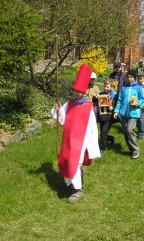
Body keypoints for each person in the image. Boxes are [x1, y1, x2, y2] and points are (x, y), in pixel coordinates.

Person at [51, 63, 101, 203]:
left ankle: (77, 191)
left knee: (74, 162)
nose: (76, 94)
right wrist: (59, 109)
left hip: (81, 141)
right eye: (75, 91)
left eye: (79, 92)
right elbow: (61, 118)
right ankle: (76, 176)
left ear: (84, 92)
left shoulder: (88, 108)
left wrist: (91, 145)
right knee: (66, 161)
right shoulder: (70, 103)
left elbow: (92, 128)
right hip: (68, 138)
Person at [113, 69, 144, 159]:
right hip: (123, 114)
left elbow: (142, 99)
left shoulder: (138, 88)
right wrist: (116, 111)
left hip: (134, 113)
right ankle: (131, 149)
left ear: (134, 78)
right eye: (128, 77)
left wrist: (137, 103)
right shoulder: (124, 88)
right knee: (125, 132)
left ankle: (135, 149)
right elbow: (119, 100)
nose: (129, 79)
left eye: (131, 77)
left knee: (129, 130)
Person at [97, 79, 116, 154]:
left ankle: (102, 148)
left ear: (111, 87)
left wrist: (112, 107)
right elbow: (95, 101)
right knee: (103, 133)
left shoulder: (114, 95)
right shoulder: (101, 94)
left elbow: (117, 104)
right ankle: (111, 138)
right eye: (105, 86)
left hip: (109, 116)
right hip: (102, 116)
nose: (106, 88)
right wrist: (96, 97)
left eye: (107, 87)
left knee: (104, 131)